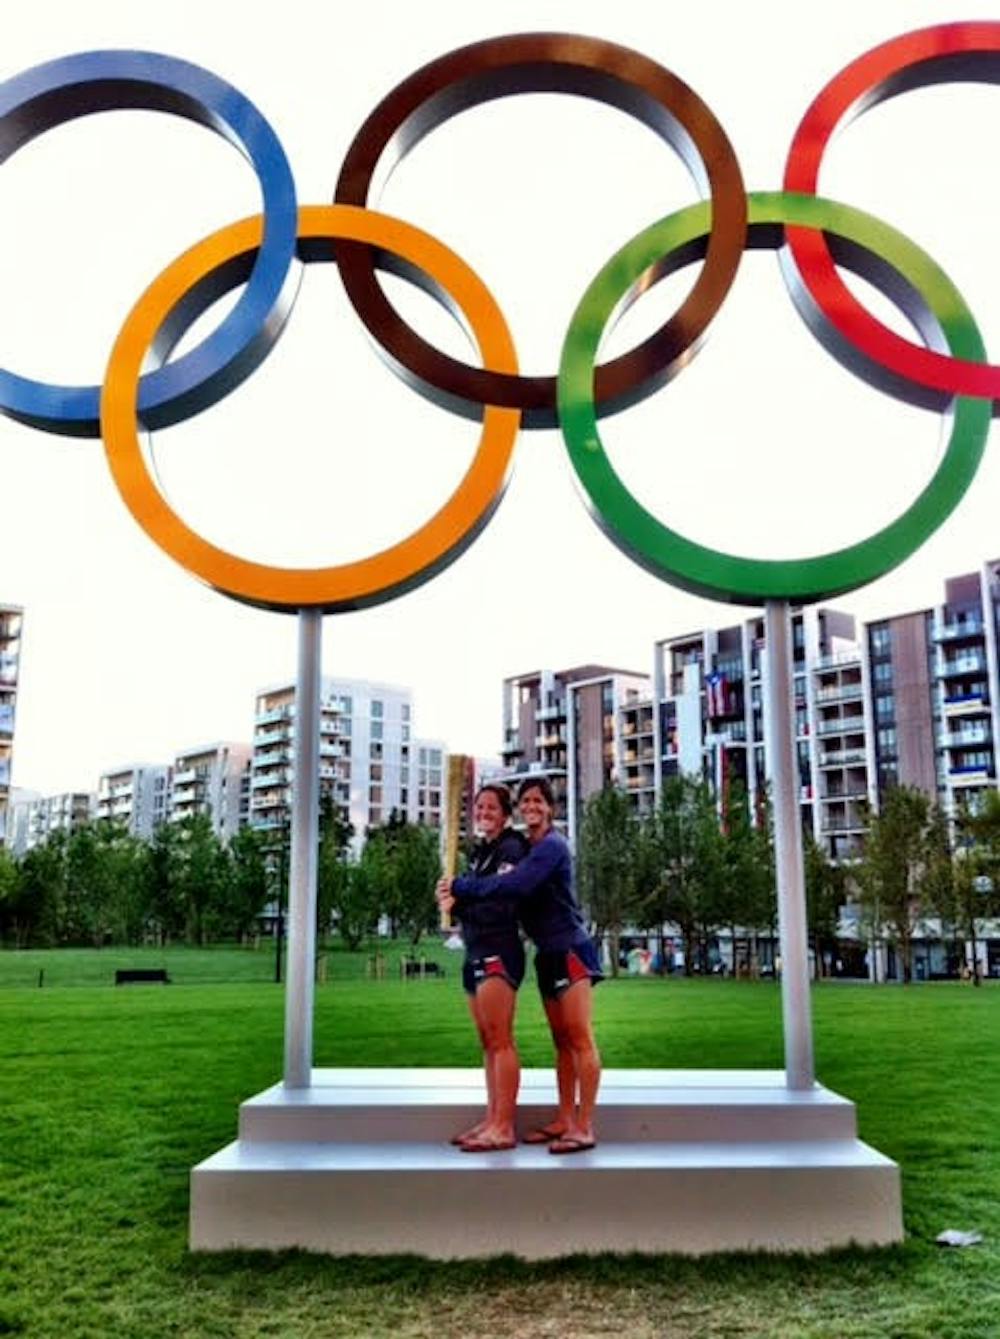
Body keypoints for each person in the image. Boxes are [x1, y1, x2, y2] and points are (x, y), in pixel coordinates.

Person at [438, 776, 603, 1155]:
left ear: (550, 808)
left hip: (570, 949)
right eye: (525, 801)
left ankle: (584, 1125)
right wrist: (455, 899)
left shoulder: (550, 847)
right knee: (562, 1043)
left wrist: (460, 888)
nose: (531, 807)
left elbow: (516, 887)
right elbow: (499, 891)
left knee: (579, 1038)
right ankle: (565, 1118)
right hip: (546, 953)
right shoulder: (524, 847)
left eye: (537, 801)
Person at [448, 783, 529, 1153]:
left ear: (505, 813)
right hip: (474, 948)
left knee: (500, 1039)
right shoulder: (481, 853)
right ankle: (492, 1118)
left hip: (499, 948)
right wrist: (454, 901)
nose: (483, 813)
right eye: (478, 807)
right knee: (486, 1042)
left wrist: (462, 893)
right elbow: (472, 903)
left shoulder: (512, 848)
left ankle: (504, 1126)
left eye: (491, 808)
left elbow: (503, 901)